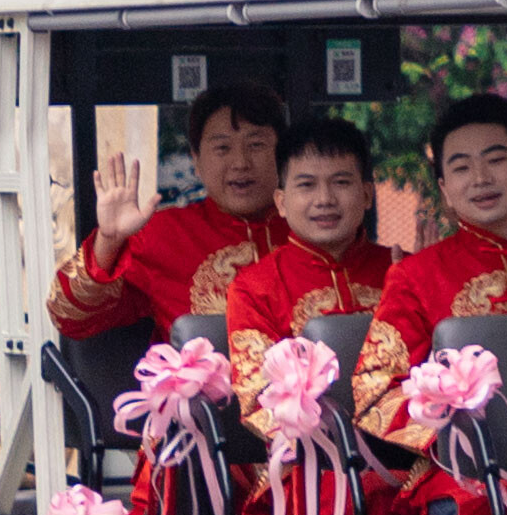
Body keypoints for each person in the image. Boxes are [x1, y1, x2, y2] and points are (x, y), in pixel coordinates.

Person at [356, 93, 507, 508]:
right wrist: (448, 424)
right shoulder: (416, 277)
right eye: (461, 167)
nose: (480, 178)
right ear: (444, 189)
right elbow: (375, 389)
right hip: (468, 474)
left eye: (495, 159)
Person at [48, 86, 289, 341]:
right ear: (196, 160)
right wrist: (108, 241)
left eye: (256, 145)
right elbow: (68, 317)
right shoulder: (164, 236)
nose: (241, 162)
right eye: (222, 148)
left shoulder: (311, 232)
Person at [218, 116, 391, 393]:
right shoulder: (253, 289)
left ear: (367, 195)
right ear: (282, 202)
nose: (324, 199)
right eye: (307, 185)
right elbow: (258, 401)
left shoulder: (406, 272)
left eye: (341, 182)